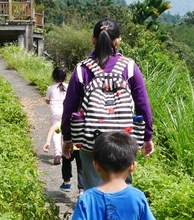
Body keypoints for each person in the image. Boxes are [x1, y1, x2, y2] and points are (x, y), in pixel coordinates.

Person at [61, 19, 154, 191]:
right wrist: (147, 137)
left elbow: (69, 107)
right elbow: (143, 105)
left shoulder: (82, 69)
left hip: (91, 140)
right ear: (118, 40)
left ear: (93, 40)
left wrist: (67, 138)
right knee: (123, 188)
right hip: (124, 140)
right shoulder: (129, 67)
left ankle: (95, 215)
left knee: (92, 189)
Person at [43, 120, 83, 194]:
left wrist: (48, 142)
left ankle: (66, 183)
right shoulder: (82, 119)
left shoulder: (66, 120)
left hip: (67, 147)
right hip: (80, 147)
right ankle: (81, 190)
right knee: (81, 168)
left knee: (66, 161)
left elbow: (52, 128)